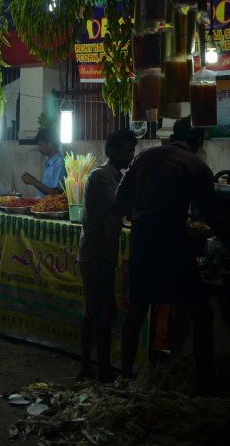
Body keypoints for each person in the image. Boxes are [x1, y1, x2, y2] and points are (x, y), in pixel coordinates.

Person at [114, 117, 230, 389]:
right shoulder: (195, 165)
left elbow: (119, 201)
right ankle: (204, 381)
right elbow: (215, 218)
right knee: (201, 313)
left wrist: (139, 217)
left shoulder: (146, 156)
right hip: (171, 241)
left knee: (138, 309)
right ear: (198, 141)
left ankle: (125, 377)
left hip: (141, 240)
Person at [76, 129, 138, 383]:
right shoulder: (102, 176)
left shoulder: (115, 177)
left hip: (104, 250)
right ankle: (93, 367)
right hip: (96, 251)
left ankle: (95, 366)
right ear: (112, 151)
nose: (130, 156)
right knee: (96, 312)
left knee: (99, 311)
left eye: (132, 151)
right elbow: (117, 205)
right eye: (126, 151)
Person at [21, 128, 66, 197]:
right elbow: (46, 188)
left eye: (41, 145)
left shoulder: (59, 164)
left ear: (50, 144)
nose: (39, 149)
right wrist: (33, 180)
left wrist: (34, 182)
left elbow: (56, 194)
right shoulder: (49, 162)